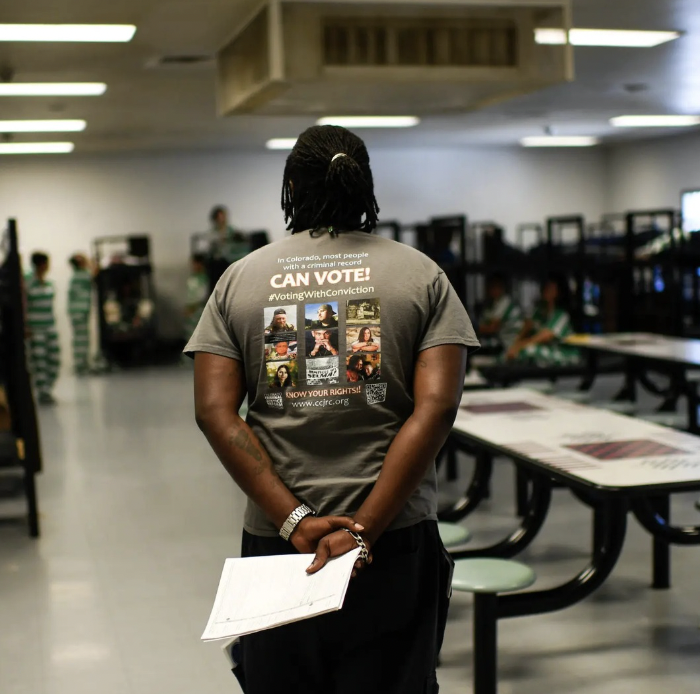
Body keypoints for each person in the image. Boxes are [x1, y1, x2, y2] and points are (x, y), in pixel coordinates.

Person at [186, 124, 478, 693]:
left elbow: (214, 412)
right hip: (392, 539)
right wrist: (364, 528)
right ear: (365, 186)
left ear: (291, 187)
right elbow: (437, 407)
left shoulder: (239, 281)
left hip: (278, 543)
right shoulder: (422, 276)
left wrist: (295, 520)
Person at [505, 276, 580, 366]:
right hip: (545, 349)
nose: (546, 291)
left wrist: (520, 346)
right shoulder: (539, 311)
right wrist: (515, 344)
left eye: (551, 289)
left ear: (558, 293)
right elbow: (527, 327)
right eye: (545, 288)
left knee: (528, 351)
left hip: (563, 353)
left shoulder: (561, 314)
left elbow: (544, 336)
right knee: (509, 350)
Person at [25, 252, 60, 404]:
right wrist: (26, 327)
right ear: (40, 264)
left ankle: (48, 387)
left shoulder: (50, 284)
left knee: (54, 359)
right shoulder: (27, 283)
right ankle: (43, 392)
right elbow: (24, 307)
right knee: (39, 362)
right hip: (36, 328)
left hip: (50, 327)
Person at [477, 273, 523, 353]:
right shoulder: (492, 304)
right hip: (502, 340)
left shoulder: (505, 301)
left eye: (496, 287)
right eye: (491, 287)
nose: (493, 290)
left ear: (502, 288)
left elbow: (493, 328)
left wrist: (473, 329)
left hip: (512, 341)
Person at [68, 253, 95, 374]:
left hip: (77, 311)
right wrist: (90, 262)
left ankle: (81, 364)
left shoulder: (77, 275)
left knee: (80, 338)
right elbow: (95, 272)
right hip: (79, 311)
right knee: (81, 339)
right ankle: (81, 365)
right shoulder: (82, 275)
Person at [185, 254, 210, 338]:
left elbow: (202, 295)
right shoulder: (193, 277)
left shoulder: (203, 278)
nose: (193, 266)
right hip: (191, 311)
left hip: (198, 311)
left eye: (195, 264)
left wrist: (193, 307)